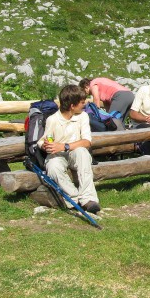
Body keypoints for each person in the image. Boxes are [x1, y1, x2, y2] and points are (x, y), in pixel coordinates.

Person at [37, 84, 100, 214]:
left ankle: (88, 199)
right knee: (53, 167)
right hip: (58, 155)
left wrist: (65, 146)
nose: (84, 105)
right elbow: (43, 140)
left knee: (82, 153)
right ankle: (74, 197)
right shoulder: (52, 120)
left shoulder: (83, 116)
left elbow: (87, 142)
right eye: (82, 103)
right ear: (72, 106)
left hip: (75, 152)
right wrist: (45, 145)